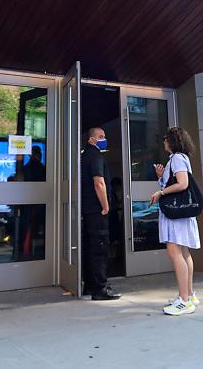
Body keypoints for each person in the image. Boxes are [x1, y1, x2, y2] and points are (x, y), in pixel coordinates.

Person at [148, 126, 201, 316]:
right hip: (182, 214)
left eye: (165, 138)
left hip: (175, 216)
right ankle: (189, 294)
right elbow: (177, 183)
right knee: (184, 252)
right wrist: (162, 178)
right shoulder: (180, 158)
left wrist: (161, 192)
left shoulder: (177, 158)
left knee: (174, 251)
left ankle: (184, 300)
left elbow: (183, 184)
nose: (163, 141)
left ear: (173, 141)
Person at [81, 127, 119, 300]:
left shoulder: (84, 156)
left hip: (88, 210)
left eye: (105, 136)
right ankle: (100, 288)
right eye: (100, 137)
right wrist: (105, 206)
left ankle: (90, 285)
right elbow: (99, 183)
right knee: (100, 249)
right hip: (97, 210)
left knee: (90, 248)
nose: (104, 139)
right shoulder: (95, 155)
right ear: (91, 140)